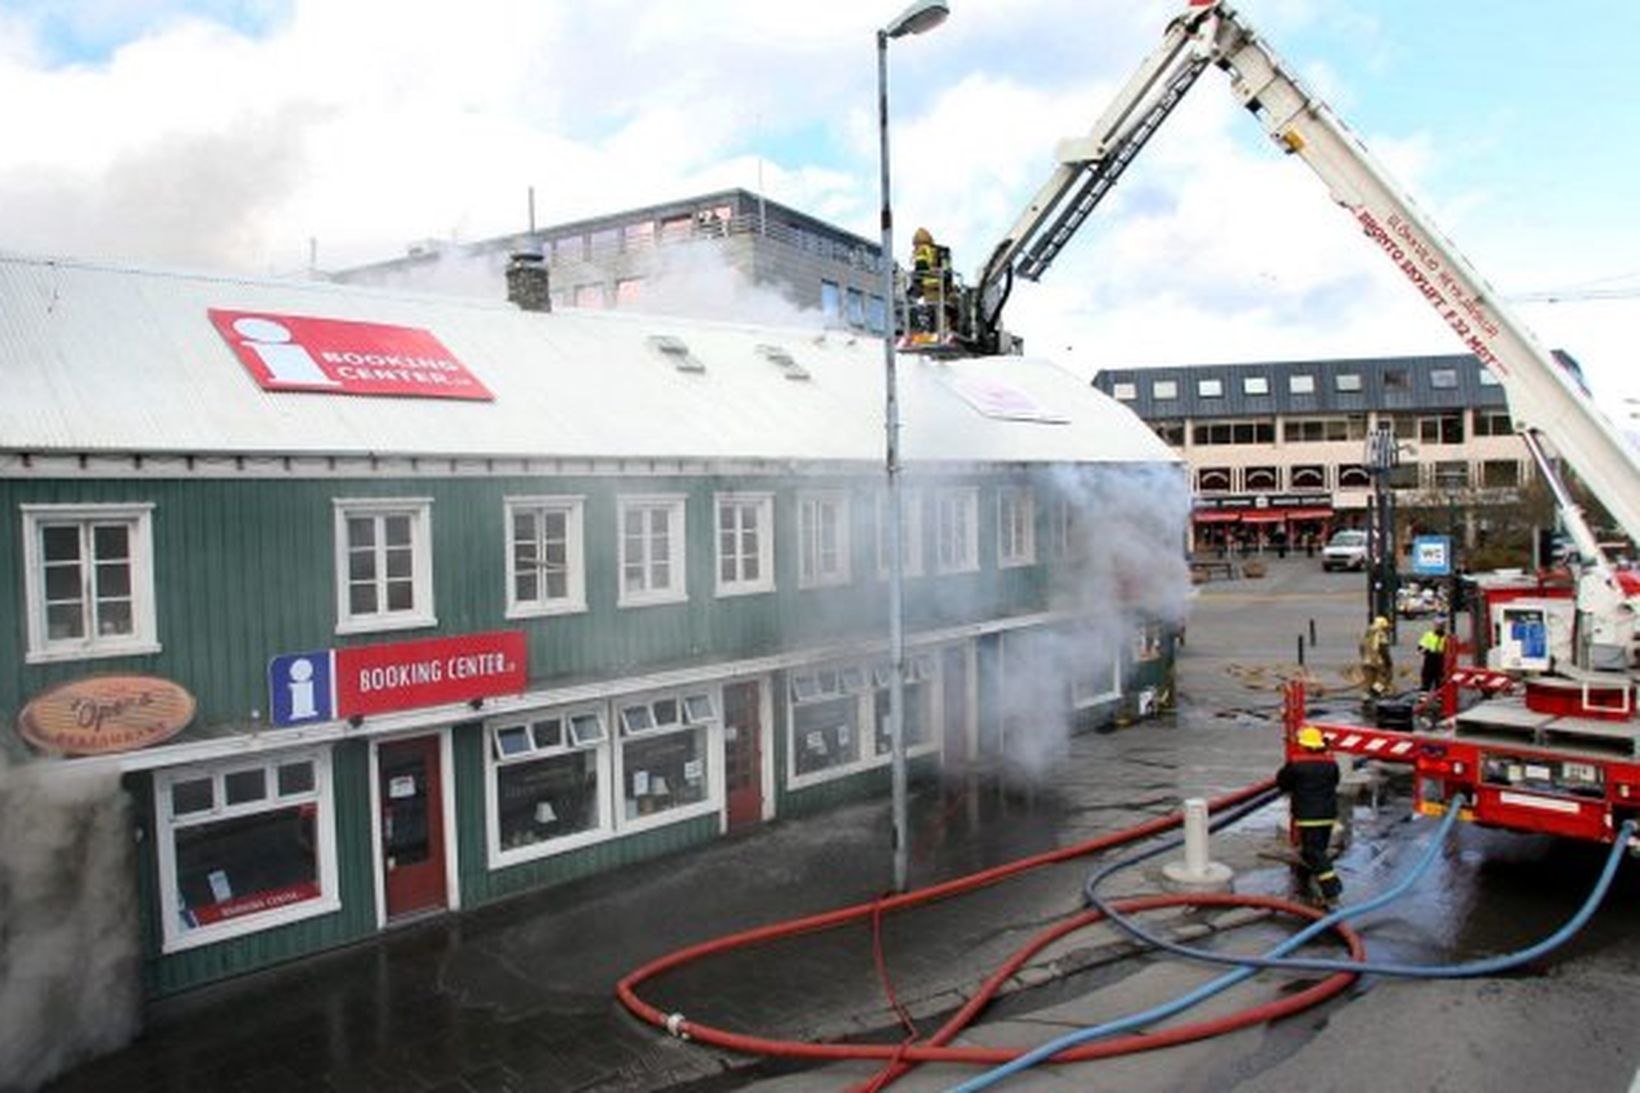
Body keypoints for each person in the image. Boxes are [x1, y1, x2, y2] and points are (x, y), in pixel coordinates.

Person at [1277, 725, 1343, 907]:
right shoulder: (1331, 764)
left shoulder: (1296, 764)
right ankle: (1309, 882)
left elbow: (1282, 782)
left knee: (1312, 852)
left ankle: (1332, 888)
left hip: (1308, 817)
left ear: (1304, 745)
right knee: (1318, 849)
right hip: (1328, 815)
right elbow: (1336, 781)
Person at [1358, 615, 1393, 697]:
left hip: (1366, 662)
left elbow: (1361, 648)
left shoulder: (1367, 634)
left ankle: (1366, 697)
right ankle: (1375, 692)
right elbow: (1384, 650)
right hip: (1378, 662)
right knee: (1385, 678)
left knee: (1369, 681)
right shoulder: (1381, 635)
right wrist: (1388, 663)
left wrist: (1365, 658)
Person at [1419, 619, 1449, 692]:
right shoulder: (1429, 635)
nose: (1439, 627)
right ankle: (1423, 699)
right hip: (1430, 660)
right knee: (1426, 681)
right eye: (1438, 625)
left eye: (1441, 625)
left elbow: (1449, 650)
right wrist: (1427, 652)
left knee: (1439, 682)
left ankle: (1439, 699)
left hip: (1441, 660)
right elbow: (1420, 647)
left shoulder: (1446, 637)